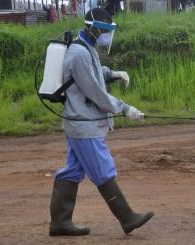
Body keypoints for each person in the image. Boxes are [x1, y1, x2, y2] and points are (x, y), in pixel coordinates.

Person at [49, 8, 154, 236]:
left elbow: (94, 74)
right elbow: (96, 92)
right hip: (84, 124)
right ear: (93, 28)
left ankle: (60, 222)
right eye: (104, 31)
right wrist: (125, 108)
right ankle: (127, 218)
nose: (107, 36)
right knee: (103, 169)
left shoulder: (87, 47)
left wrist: (112, 73)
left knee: (73, 171)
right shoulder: (79, 54)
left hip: (81, 122)